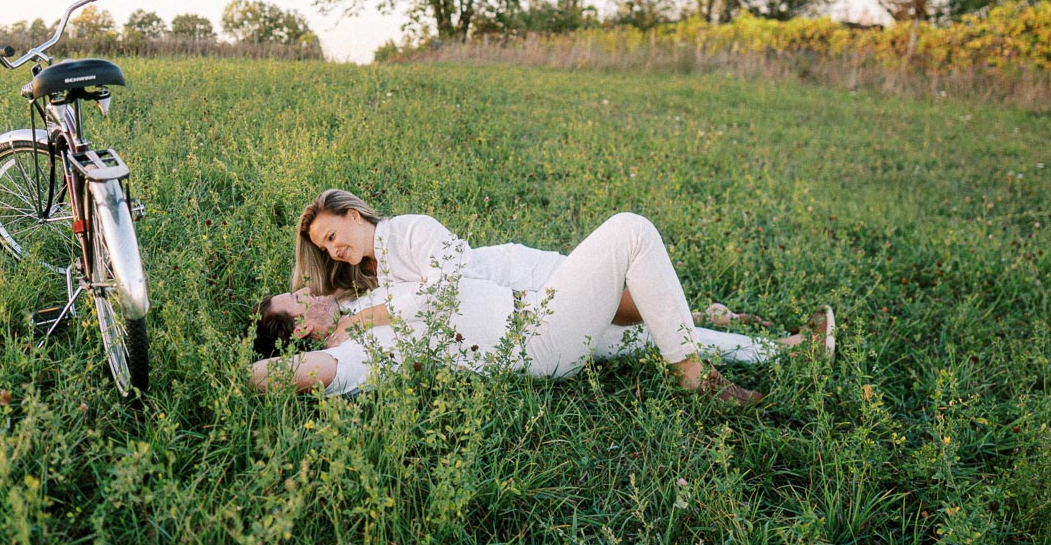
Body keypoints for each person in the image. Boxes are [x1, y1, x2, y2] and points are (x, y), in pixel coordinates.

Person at [253, 189, 835, 406]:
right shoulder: (355, 344)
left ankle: (785, 352)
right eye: (299, 301)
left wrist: (362, 316)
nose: (314, 284)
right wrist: (217, 379)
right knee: (631, 229)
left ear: (353, 215)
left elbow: (445, 282)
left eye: (333, 239)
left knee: (642, 330)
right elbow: (298, 372)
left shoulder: (381, 279)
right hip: (533, 333)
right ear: (301, 329)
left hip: (537, 304)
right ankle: (692, 376)